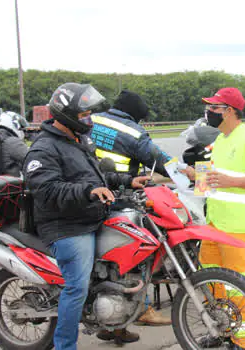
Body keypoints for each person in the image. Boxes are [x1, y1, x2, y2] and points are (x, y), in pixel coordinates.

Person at [23, 83, 149, 350]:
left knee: (126, 266)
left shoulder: (79, 141)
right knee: (77, 287)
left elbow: (98, 178)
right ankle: (65, 346)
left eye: (89, 114)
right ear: (66, 115)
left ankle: (115, 326)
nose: (88, 119)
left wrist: (127, 180)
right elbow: (46, 189)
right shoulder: (43, 149)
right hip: (66, 226)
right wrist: (89, 191)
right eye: (83, 115)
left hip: (91, 217)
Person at [81, 90, 190, 330]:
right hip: (117, 197)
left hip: (89, 194)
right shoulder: (133, 133)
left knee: (108, 263)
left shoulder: (93, 120)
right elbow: (159, 159)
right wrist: (188, 174)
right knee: (138, 254)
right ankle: (142, 308)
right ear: (135, 116)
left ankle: (115, 326)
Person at [182, 87, 245, 349]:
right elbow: (212, 181)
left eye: (214, 108)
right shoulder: (221, 139)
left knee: (238, 286)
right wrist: (195, 176)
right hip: (215, 222)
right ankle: (220, 330)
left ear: (229, 111)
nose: (209, 112)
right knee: (211, 280)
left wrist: (230, 181)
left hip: (239, 224)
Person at [81, 89, 172, 177]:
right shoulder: (135, 134)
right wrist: (181, 170)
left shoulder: (91, 119)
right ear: (135, 115)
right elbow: (158, 158)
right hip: (122, 186)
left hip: (88, 180)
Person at [0, 111, 30, 177]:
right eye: (21, 126)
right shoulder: (12, 141)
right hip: (10, 183)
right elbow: (32, 157)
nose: (22, 129)